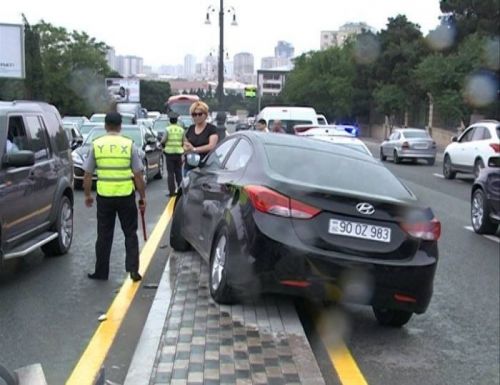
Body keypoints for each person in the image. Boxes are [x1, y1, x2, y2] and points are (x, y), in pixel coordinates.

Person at [83, 112, 146, 282]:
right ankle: (133, 270)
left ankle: (101, 272)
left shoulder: (96, 145)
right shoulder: (129, 145)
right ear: (120, 126)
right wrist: (142, 197)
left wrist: (88, 195)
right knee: (130, 234)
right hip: (126, 195)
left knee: (104, 235)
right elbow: (138, 175)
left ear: (105, 126)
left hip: (104, 197)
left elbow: (87, 174)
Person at [183, 101, 218, 172]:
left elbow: (211, 146)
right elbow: (186, 144)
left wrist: (194, 149)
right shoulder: (191, 128)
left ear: (206, 115)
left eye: (200, 114)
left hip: (206, 167)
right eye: (194, 114)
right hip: (189, 166)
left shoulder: (211, 129)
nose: (197, 116)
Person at [161, 112, 184, 197]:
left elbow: (163, 140)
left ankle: (172, 192)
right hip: (178, 154)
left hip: (169, 154)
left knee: (170, 173)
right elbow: (183, 141)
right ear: (177, 120)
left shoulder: (167, 129)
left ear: (170, 120)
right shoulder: (181, 130)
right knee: (178, 172)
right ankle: (181, 190)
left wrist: (162, 145)